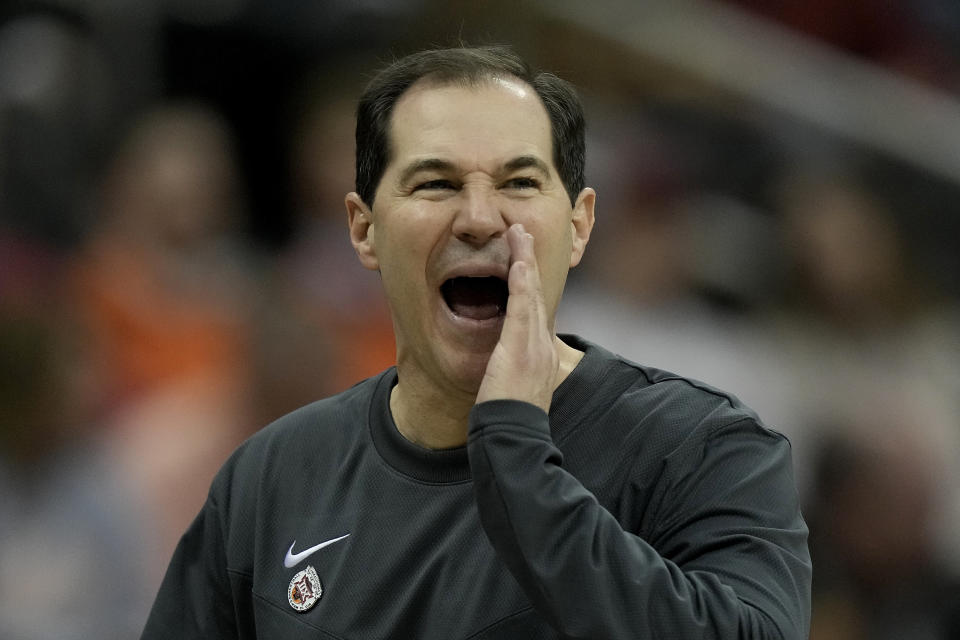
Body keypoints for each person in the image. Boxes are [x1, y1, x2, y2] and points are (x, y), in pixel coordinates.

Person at [140, 45, 811, 639]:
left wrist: (515, 448)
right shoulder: (273, 477)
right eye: (437, 184)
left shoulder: (701, 450)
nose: (481, 218)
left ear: (578, 226)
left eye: (519, 183)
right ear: (364, 228)